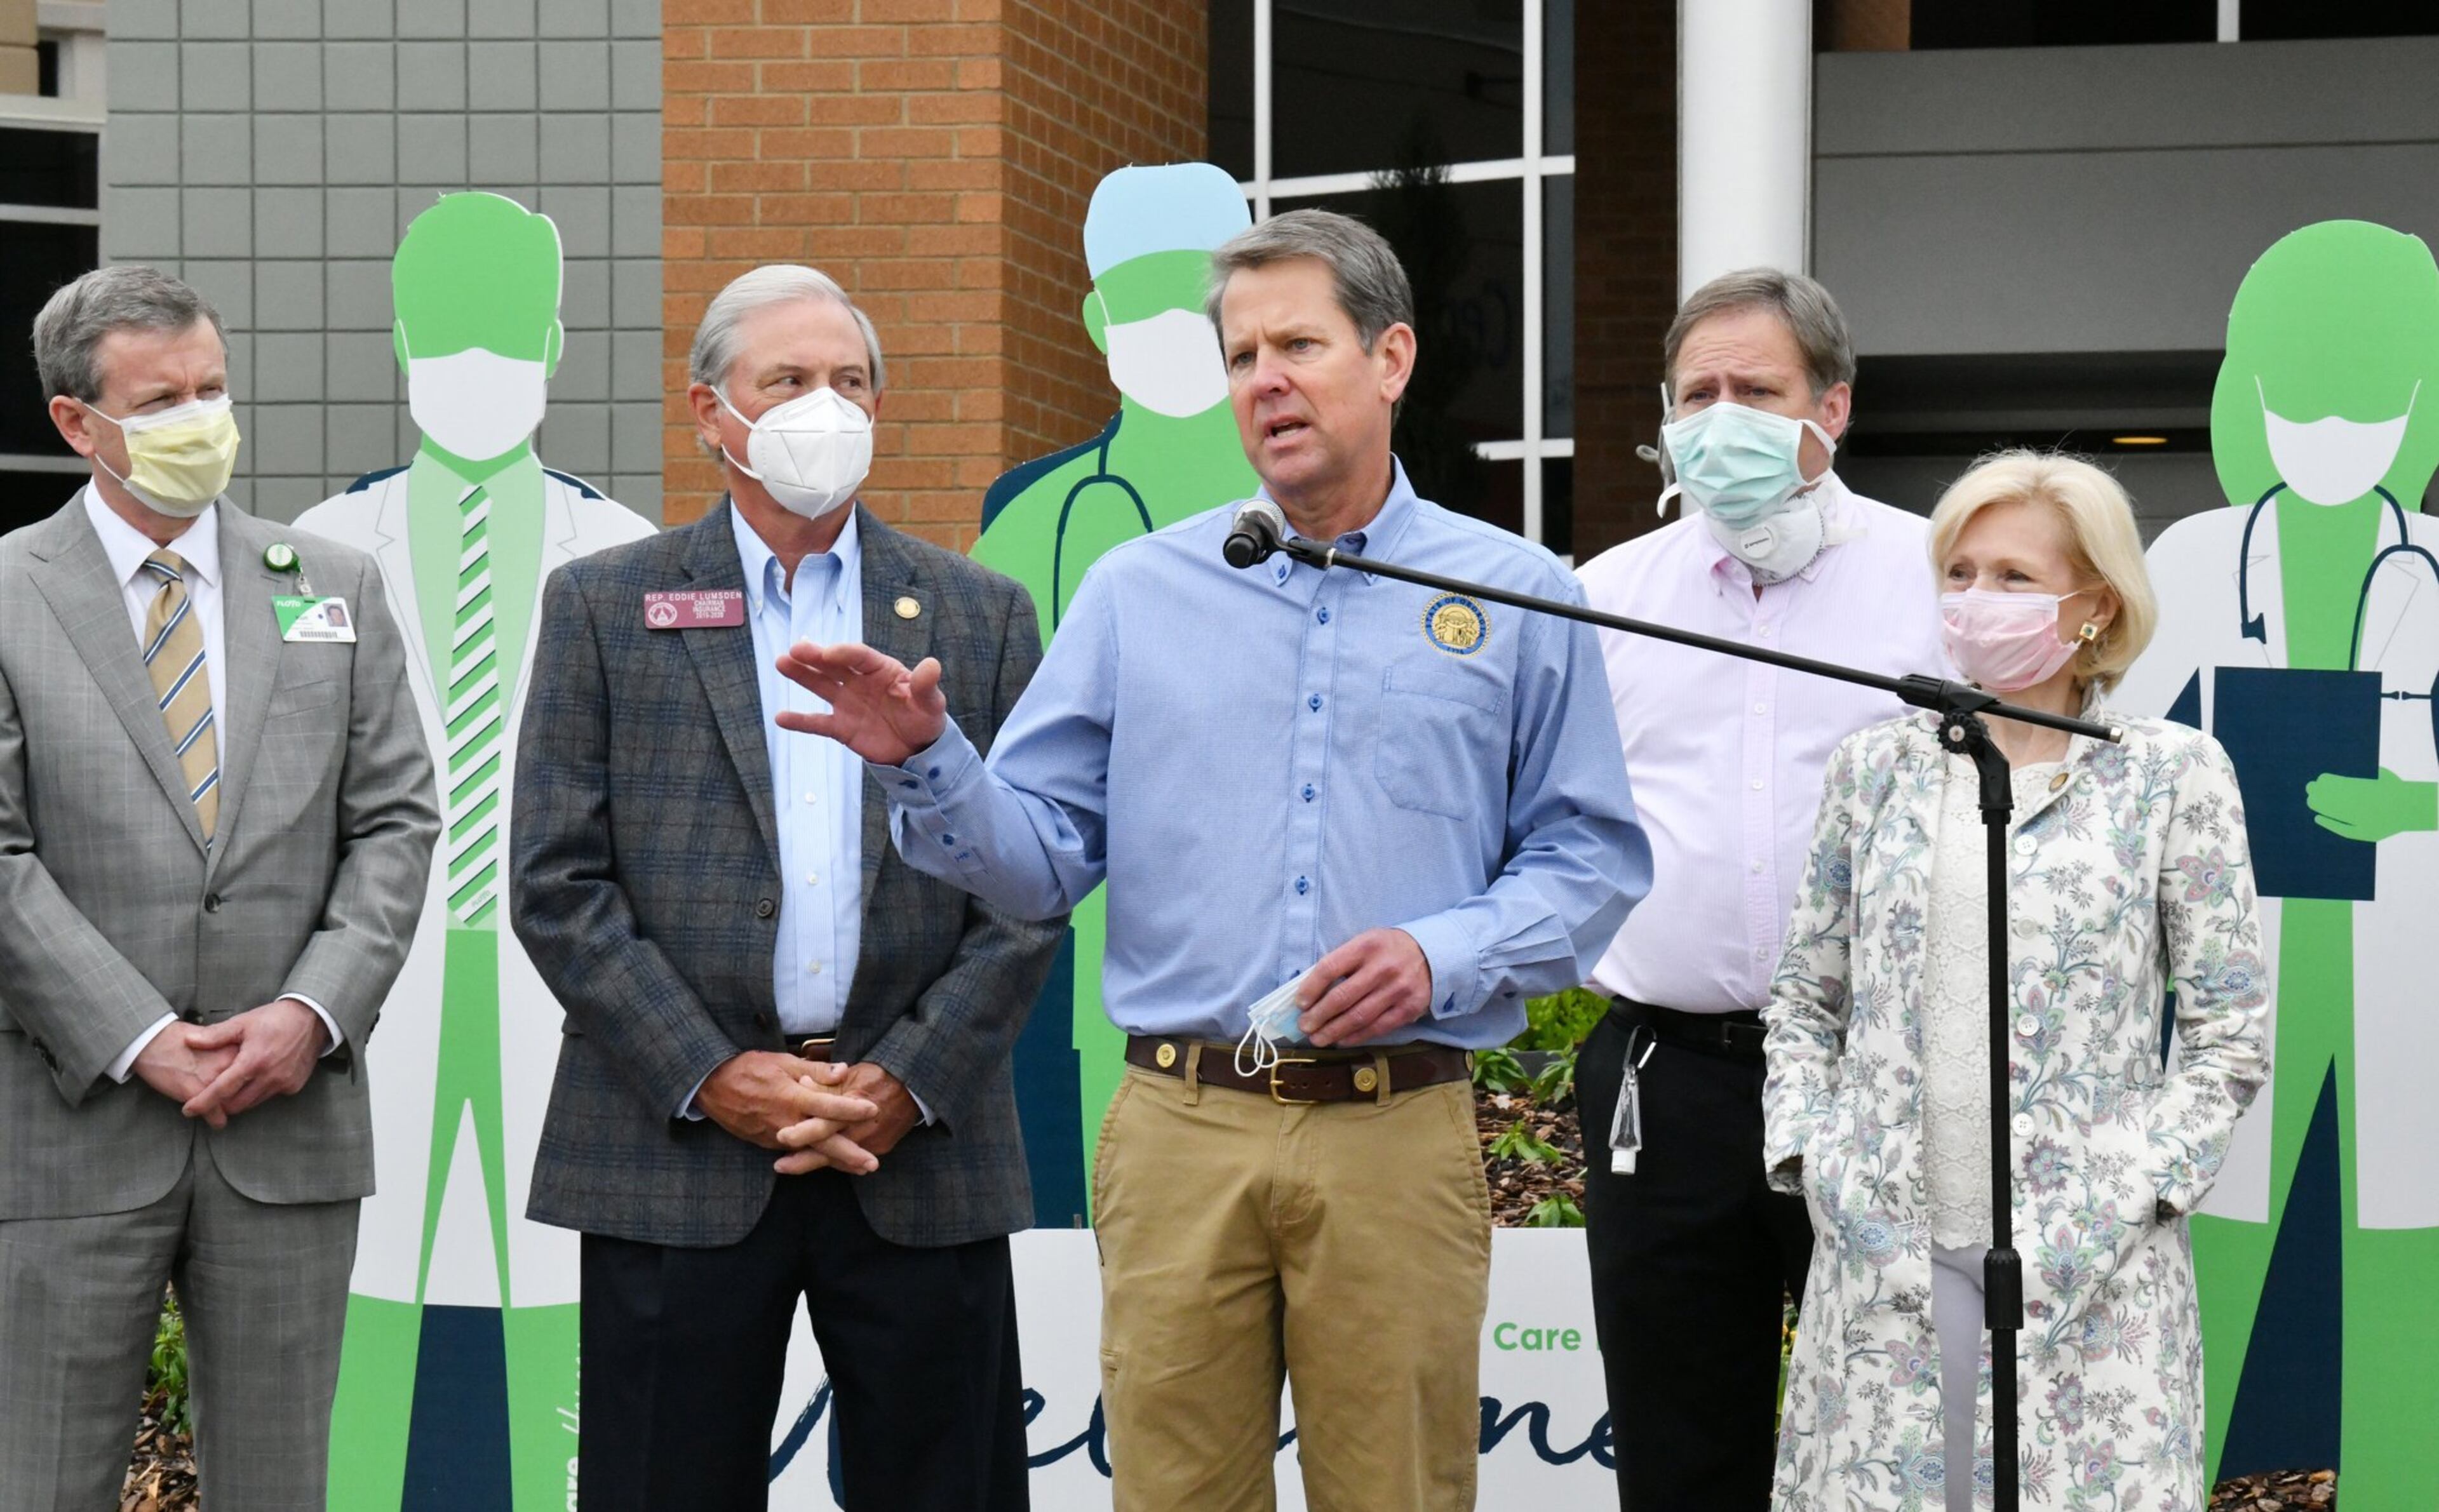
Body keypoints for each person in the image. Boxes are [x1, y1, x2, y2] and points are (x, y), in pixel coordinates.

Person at [774, 208, 1648, 1511]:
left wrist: (1439, 952)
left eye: (1299, 343)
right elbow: (1038, 868)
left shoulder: (1519, 595)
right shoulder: (1138, 591)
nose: (1265, 382)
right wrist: (929, 761)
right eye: (1242, 357)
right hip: (1183, 1128)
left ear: (1393, 357)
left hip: (1394, 1131)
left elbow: (1591, 856)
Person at [509, 264, 1065, 1511]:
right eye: (791, 381)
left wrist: (905, 1079)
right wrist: (714, 1075)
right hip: (677, 1150)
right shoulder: (608, 606)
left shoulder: (977, 615)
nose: (829, 407)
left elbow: (1028, 886)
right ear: (711, 412)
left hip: (915, 1152)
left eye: (852, 382)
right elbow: (558, 883)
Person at [0, 264, 439, 1508]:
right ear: (77, 425)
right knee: (42, 1483)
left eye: (214, 390)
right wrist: (139, 1036)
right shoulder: (7, 596)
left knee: (284, 1487)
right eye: (163, 400)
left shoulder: (332, 587)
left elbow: (399, 822)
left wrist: (311, 1013)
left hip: (286, 1127)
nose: (202, 422)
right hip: (68, 1126)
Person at [1763, 452, 2271, 1511]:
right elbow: (1807, 1001)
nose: (1974, 602)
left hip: (2091, 1277)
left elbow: (2228, 1035)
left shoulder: (2174, 774)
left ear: (2095, 604)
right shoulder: (1876, 769)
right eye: (1960, 572)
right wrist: (1820, 1160)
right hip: (1882, 1265)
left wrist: (2114, 1203)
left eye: (2012, 577)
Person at [292, 189, 658, 1504]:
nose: (478, 373)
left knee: (559, 1304)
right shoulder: (314, 557)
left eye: (503, 339)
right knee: (362, 1306)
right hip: (372, 987)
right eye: (451, 338)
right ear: (400, 342)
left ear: (556, 346)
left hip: (559, 990)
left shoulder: (625, 554)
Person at [1571, 266, 1947, 1508]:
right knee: (1683, 1450)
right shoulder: (1606, 597)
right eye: (1698, 394)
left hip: (1879, 1078)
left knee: (1892, 1449)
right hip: (1665, 1088)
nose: (1720, 418)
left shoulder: (1942, 580)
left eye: (1757, 389)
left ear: (1831, 409)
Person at [2114, 220, 2439, 1498]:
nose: (2330, 435)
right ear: (2249, 393)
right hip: (2229, 976)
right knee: (2207, 1256)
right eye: (2301, 403)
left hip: (2403, 988)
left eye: (2366, 404)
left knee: (2405, 1265)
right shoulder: (2196, 560)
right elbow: (2113, 750)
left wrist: (2411, 805)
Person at [971, 161, 1263, 1227]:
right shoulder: (1033, 517)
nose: (1173, 330)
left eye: (1197, 298)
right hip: (1100, 967)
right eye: (1144, 303)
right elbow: (998, 754)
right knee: (1127, 1254)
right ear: (1098, 318)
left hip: (1308, 975)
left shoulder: (1322, 501)